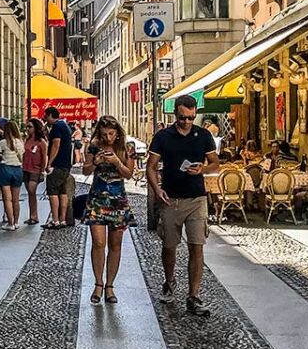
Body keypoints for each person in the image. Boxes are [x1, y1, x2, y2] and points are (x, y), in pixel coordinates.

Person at [147, 95, 220, 317]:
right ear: (175, 115)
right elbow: (151, 166)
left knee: (197, 246)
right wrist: (157, 190)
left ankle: (194, 295)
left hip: (197, 198)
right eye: (182, 118)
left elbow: (215, 162)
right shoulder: (163, 137)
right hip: (171, 199)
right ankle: (169, 282)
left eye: (190, 118)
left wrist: (202, 170)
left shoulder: (203, 135)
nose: (187, 122)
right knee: (169, 246)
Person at [83, 116, 136, 304]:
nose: (108, 137)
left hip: (118, 200)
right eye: (104, 134)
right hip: (97, 199)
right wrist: (95, 162)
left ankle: (110, 286)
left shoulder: (127, 148)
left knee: (115, 245)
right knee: (98, 242)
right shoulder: (94, 146)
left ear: (117, 133)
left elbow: (129, 174)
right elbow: (85, 171)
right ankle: (98, 283)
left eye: (111, 134)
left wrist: (117, 162)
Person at [43, 107, 74, 229]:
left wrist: (49, 163)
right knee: (63, 191)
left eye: (46, 116)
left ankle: (55, 220)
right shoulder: (65, 125)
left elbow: (56, 144)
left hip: (57, 164)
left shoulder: (56, 127)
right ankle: (62, 219)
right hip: (66, 164)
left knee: (53, 192)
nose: (45, 119)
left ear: (51, 115)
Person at [0, 120, 26, 231]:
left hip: (5, 169)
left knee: (7, 199)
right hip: (17, 170)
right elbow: (23, 157)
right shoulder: (20, 142)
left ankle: (10, 223)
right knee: (16, 199)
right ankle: (17, 222)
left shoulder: (2, 142)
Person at [22, 118, 48, 225]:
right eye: (27, 127)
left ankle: (34, 215)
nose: (28, 129)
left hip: (35, 170)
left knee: (32, 191)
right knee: (30, 193)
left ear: (35, 128)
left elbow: (44, 156)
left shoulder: (41, 142)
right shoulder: (27, 140)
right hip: (26, 169)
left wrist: (42, 171)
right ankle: (32, 215)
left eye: (30, 127)